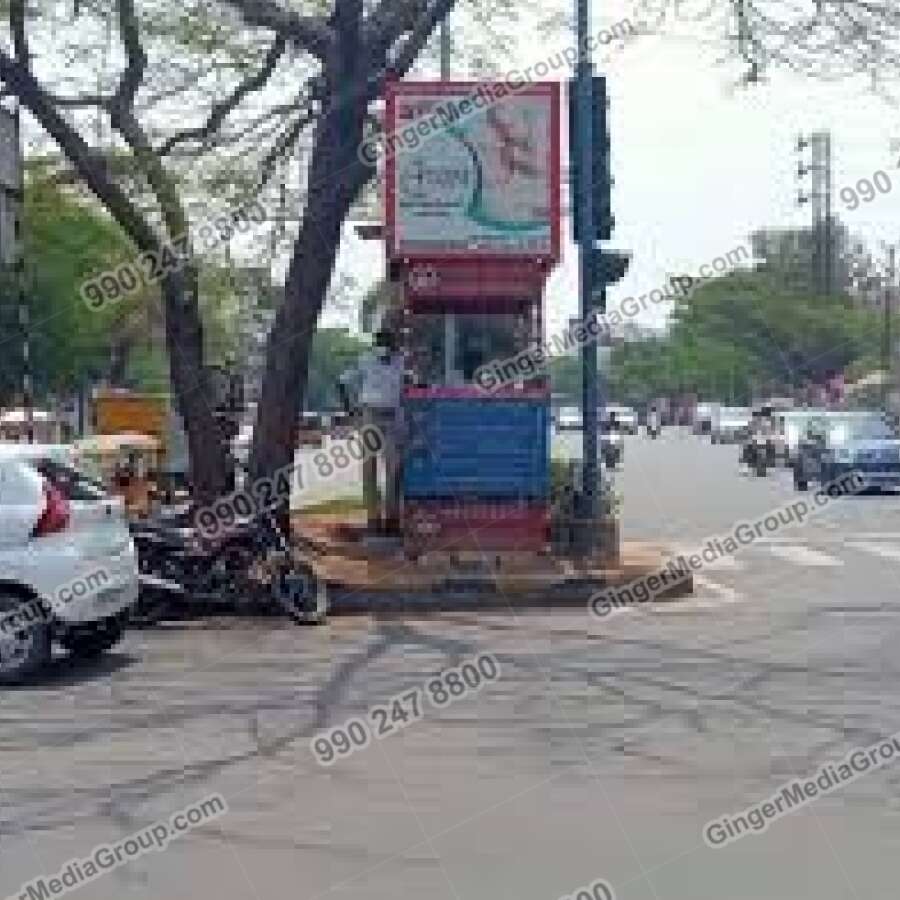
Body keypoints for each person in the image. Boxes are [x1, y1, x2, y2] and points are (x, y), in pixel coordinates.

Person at [338, 328, 405, 535]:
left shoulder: (401, 362)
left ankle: (392, 519)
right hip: (370, 414)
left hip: (393, 414)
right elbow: (342, 381)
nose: (386, 348)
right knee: (369, 468)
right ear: (377, 345)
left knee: (395, 467)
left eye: (390, 343)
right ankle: (373, 519)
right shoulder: (366, 360)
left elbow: (411, 383)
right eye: (382, 343)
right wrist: (350, 409)